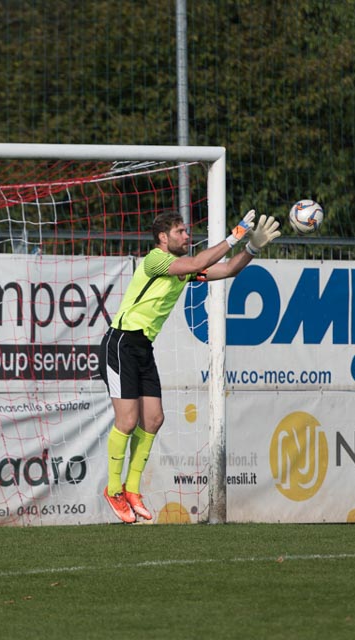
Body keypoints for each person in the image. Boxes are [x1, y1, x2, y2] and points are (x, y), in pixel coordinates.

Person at [99, 208, 281, 523]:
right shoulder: (155, 260)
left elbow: (228, 270)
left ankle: (132, 489)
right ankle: (113, 489)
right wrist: (235, 235)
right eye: (180, 232)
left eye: (186, 231)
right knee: (127, 421)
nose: (187, 236)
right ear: (162, 237)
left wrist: (252, 247)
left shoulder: (180, 270)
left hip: (142, 347)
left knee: (153, 419)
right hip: (121, 343)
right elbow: (197, 263)